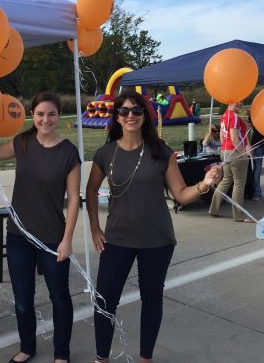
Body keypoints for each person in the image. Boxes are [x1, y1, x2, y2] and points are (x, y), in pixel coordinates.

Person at [86, 91, 222, 363]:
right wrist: (94, 228)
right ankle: (101, 358)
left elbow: (181, 194)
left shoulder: (161, 152)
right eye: (124, 111)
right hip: (117, 238)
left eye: (136, 111)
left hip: (156, 240)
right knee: (104, 302)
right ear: (116, 116)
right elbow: (90, 191)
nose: (130, 116)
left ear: (144, 115)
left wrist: (206, 183)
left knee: (151, 300)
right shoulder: (106, 153)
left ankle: (145, 358)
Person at [0, 92, 81, 363]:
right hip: (18, 236)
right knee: (23, 298)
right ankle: (27, 347)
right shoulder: (22, 142)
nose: (45, 120)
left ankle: (62, 353)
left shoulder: (68, 152)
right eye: (40, 114)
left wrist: (67, 239)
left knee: (59, 297)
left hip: (52, 238)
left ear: (58, 116)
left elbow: (73, 200)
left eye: (51, 114)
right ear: (32, 116)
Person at [208, 101, 252, 222]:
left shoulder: (225, 115)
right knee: (239, 183)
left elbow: (222, 135)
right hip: (235, 152)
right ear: (229, 102)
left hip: (225, 152)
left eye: (241, 101)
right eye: (236, 102)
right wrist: (243, 153)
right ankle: (238, 215)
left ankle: (213, 210)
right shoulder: (234, 117)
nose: (240, 104)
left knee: (226, 180)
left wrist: (225, 148)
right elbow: (234, 138)